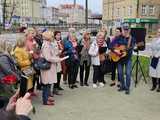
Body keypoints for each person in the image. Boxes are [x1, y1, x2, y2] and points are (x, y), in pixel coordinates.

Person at [111, 26, 135, 94]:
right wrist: (115, 50)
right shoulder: (119, 37)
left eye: (127, 29)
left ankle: (127, 88)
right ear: (122, 30)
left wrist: (129, 50)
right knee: (120, 74)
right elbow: (110, 45)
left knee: (128, 73)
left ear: (129, 30)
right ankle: (122, 86)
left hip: (128, 59)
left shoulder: (132, 39)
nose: (126, 31)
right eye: (124, 29)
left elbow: (132, 48)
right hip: (119, 59)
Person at [41, 31, 62, 105]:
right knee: (46, 83)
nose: (53, 38)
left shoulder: (49, 44)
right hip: (48, 66)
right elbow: (48, 58)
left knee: (49, 83)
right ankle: (45, 100)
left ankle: (47, 97)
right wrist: (57, 59)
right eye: (52, 36)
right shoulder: (46, 45)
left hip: (50, 66)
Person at [149, 28, 160, 92]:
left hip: (158, 59)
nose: (159, 33)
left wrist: (157, 55)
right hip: (153, 58)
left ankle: (159, 87)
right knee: (153, 72)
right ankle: (154, 85)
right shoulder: (154, 39)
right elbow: (150, 47)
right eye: (158, 32)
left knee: (159, 73)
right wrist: (151, 54)